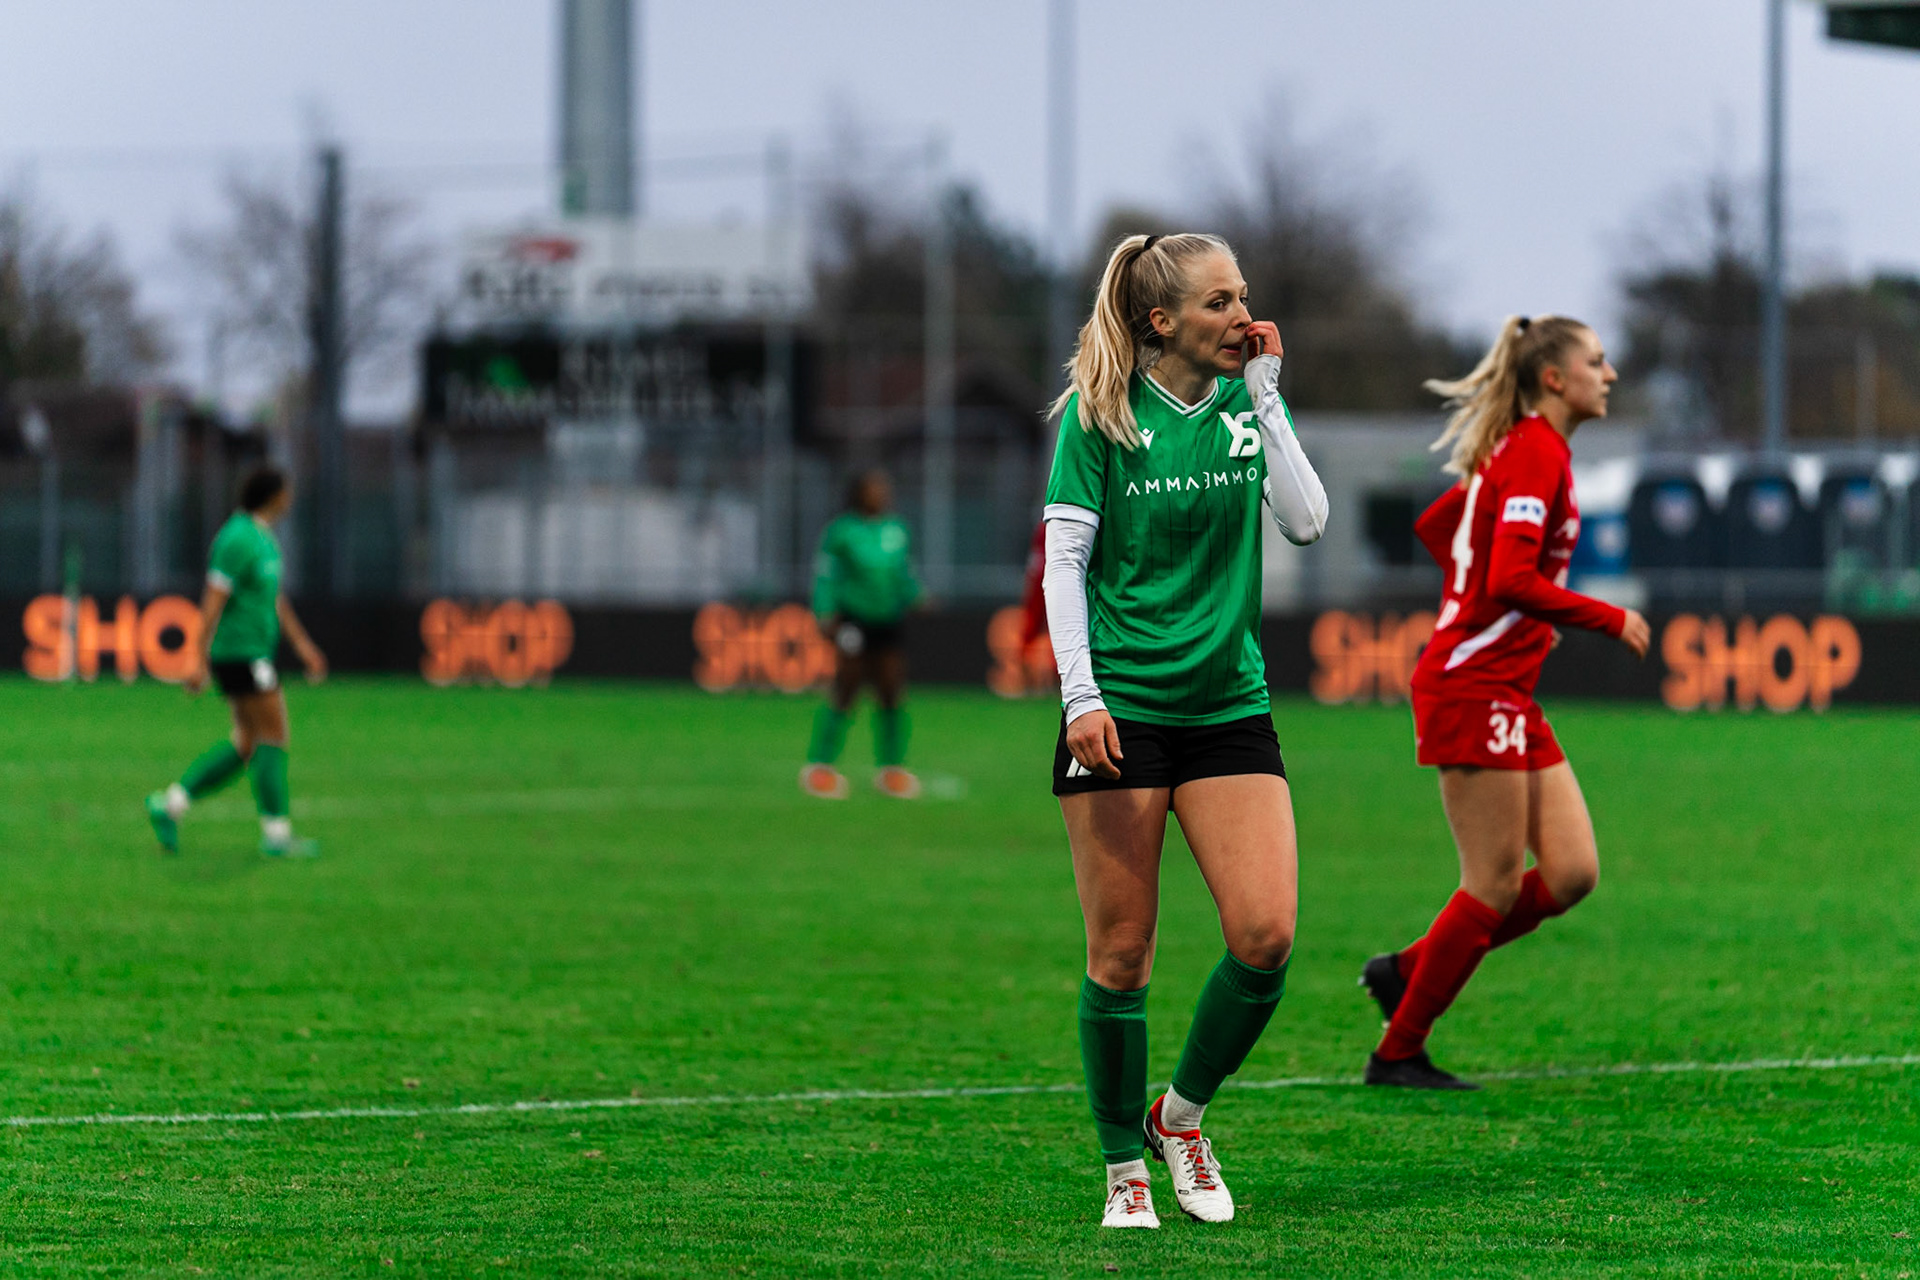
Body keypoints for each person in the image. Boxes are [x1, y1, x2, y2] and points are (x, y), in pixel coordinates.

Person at [1043, 233, 1327, 1228]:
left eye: (1244, 297)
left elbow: (1307, 522)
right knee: (1121, 957)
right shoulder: (1100, 416)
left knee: (1266, 936)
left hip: (1228, 706)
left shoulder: (1248, 411)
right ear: (1162, 320)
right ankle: (1124, 1163)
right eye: (1219, 302)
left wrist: (1268, 396)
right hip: (1122, 712)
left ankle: (1181, 1116)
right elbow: (1063, 566)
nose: (1241, 317)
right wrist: (1082, 696)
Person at [1358, 315, 1651, 1089]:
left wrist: (1502, 611)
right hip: (1471, 685)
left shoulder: (1529, 451)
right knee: (1490, 881)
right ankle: (1398, 1052)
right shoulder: (1533, 453)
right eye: (1597, 360)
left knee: (1571, 873)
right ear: (1554, 379)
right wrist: (1606, 616)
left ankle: (1411, 969)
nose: (1609, 373)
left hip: (1503, 687)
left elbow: (1442, 528)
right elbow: (1507, 578)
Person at [145, 464, 328, 858]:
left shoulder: (263, 539)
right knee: (274, 735)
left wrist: (302, 645)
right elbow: (212, 604)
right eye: (287, 491)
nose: (291, 498)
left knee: (246, 743)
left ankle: (169, 806)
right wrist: (197, 659)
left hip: (254, 653)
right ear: (275, 496)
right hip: (240, 654)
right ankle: (277, 835)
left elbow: (274, 599)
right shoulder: (236, 539)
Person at [801, 470, 924, 800]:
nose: (881, 494)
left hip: (888, 622)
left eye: (883, 488)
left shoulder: (896, 529)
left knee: (891, 692)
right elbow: (826, 576)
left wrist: (916, 596)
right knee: (846, 688)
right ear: (858, 494)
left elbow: (903, 574)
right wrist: (824, 612)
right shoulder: (842, 532)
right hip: (854, 622)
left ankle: (891, 769)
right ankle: (820, 767)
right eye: (873, 489)